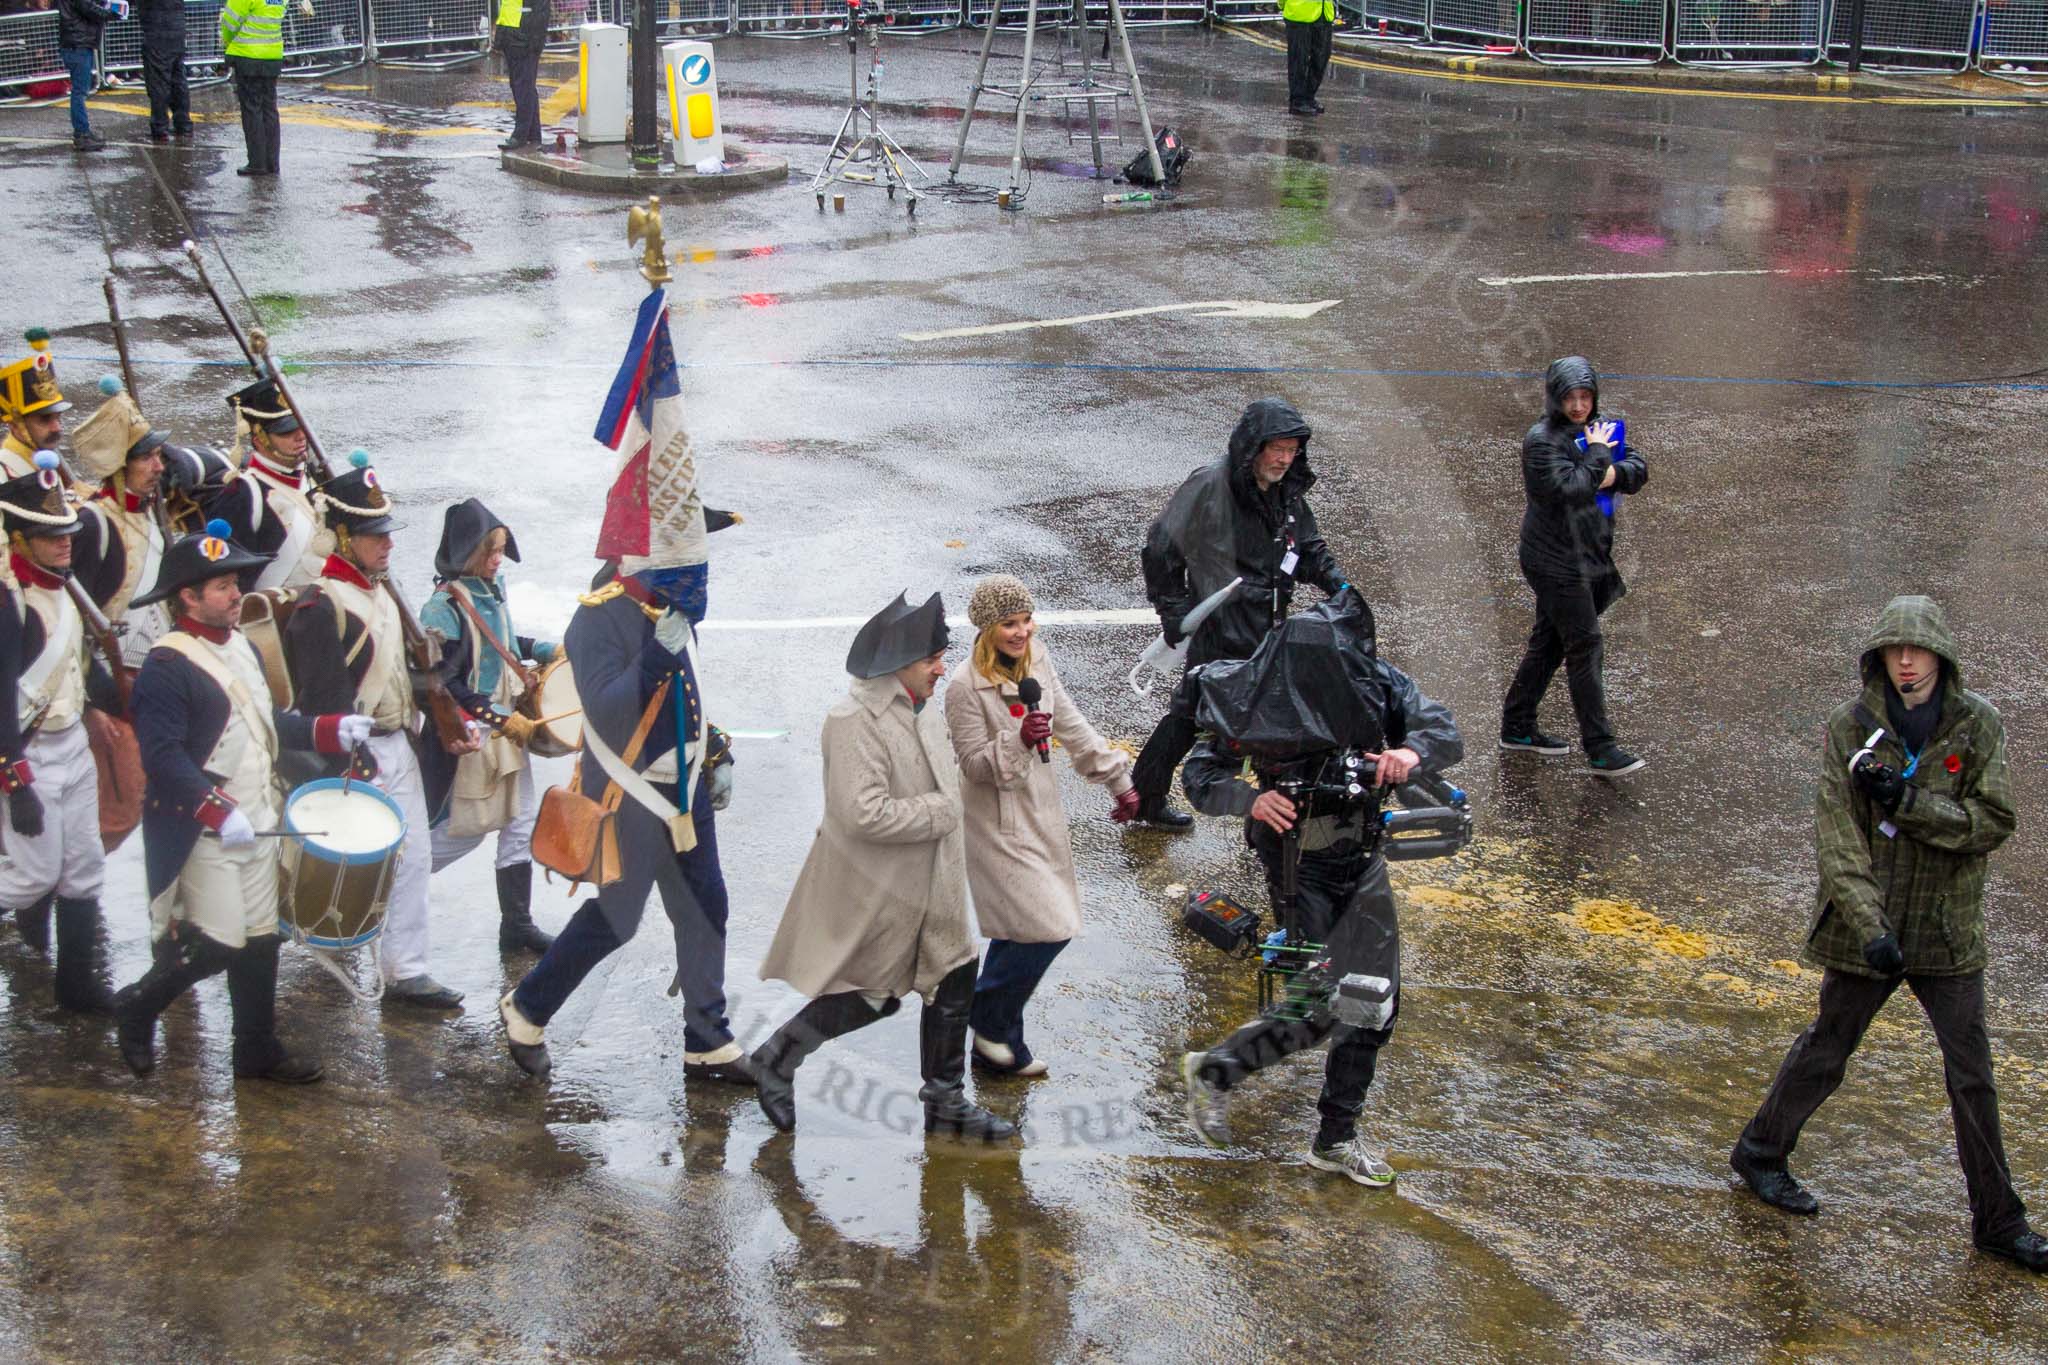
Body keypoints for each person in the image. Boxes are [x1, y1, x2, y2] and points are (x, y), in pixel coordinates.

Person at [1731, 595, 2046, 1275]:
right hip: (1867, 929)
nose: (1905, 662)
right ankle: (1761, 1150)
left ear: (1941, 655)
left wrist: (1909, 803)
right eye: (1892, 650)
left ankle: (2000, 1220)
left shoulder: (1977, 724)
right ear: (1877, 657)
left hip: (1946, 930)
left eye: (1917, 649)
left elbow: (1992, 822)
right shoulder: (1850, 728)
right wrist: (1870, 927)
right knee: (1827, 1047)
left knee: (1973, 1077)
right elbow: (1838, 839)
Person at [1180, 589, 1462, 1185]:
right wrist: (1253, 800)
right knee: (1325, 1003)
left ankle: (1336, 1136)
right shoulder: (1259, 695)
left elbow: (1439, 726)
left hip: (1363, 859)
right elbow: (1201, 775)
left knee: (1376, 999)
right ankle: (1218, 1071)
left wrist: (1410, 753)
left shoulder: (1375, 682)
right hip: (1297, 867)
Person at [497, 494, 750, 1087]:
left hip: (681, 791)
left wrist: (714, 749)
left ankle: (706, 1039)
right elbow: (609, 713)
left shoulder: (664, 604)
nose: (700, 564)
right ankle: (528, 1008)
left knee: (707, 907)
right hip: (635, 796)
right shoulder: (597, 618)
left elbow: (681, 701)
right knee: (617, 919)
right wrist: (660, 653)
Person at [111, 521, 374, 1081]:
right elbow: (162, 758)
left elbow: (265, 726)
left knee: (260, 939)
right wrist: (216, 809)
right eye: (224, 586)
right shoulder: (166, 665)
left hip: (256, 817)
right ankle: (136, 1005)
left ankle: (255, 1049)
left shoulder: (244, 650)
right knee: (223, 941)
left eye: (235, 583)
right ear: (188, 596)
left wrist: (330, 730)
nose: (237, 595)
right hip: (204, 828)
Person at [751, 592, 1016, 1143]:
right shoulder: (853, 720)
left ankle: (945, 1104)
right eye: (932, 661)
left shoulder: (921, 710)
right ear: (898, 665)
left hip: (934, 881)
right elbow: (861, 812)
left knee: (955, 973)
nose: (943, 670)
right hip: (879, 887)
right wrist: (941, 813)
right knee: (876, 994)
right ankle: (777, 1056)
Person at [282, 452, 479, 1008]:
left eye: (386, 532)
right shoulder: (320, 605)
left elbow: (404, 673)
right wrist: (353, 761)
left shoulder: (379, 591)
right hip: (358, 753)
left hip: (399, 743)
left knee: (414, 861)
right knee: (350, 868)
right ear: (342, 536)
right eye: (374, 535)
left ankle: (406, 971)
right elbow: (324, 697)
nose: (387, 543)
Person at [943, 574, 1138, 1078]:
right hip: (998, 824)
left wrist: (1117, 780)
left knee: (1018, 932)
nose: (1021, 631)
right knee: (1048, 928)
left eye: (1026, 619)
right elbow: (972, 765)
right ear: (987, 628)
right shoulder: (965, 687)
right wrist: (1019, 741)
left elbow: (1069, 722)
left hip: (1042, 815)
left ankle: (998, 1041)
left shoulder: (1037, 660)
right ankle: (987, 1019)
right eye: (1009, 623)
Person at [1131, 397, 1348, 830]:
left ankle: (1272, 810)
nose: (1286, 459)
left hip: (1267, 628)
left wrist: (1338, 585)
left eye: (1293, 450)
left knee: (1271, 715)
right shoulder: (1211, 485)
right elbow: (1160, 547)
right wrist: (1173, 611)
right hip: (1220, 629)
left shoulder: (1286, 490)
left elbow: (1306, 547)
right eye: (1278, 449)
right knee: (1193, 716)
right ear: (1255, 446)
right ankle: (1147, 796)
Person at [0, 453, 126, 1012]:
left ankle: (78, 989)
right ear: (20, 540)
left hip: (71, 743)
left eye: (67, 533)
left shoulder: (65, 588)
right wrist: (15, 778)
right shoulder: (10, 602)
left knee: (82, 869)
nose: (66, 542)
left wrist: (110, 706)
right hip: (27, 754)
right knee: (30, 879)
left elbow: (78, 667)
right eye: (51, 536)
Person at [419, 499, 557, 957]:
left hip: (503, 729)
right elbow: (446, 684)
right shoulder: (442, 607)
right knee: (464, 829)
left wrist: (540, 647)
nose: (499, 559)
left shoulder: (490, 590)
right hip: (471, 733)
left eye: (501, 549)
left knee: (520, 822)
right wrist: (499, 719)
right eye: (491, 551)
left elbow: (499, 642)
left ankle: (516, 925)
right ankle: (386, 889)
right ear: (469, 552)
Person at [1499, 355, 1649, 777]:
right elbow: (1570, 490)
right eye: (1571, 398)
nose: (1580, 406)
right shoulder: (1542, 441)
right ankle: (1600, 748)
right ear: (1555, 398)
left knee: (1549, 641)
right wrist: (1601, 458)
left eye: (1586, 397)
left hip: (1585, 557)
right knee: (1585, 643)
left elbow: (1637, 469)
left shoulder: (1598, 430)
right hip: (1553, 561)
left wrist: (1608, 468)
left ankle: (1517, 723)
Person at [70, 377, 178, 665]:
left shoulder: (152, 509)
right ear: (120, 467)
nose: (159, 467)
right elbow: (76, 618)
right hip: (110, 667)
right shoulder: (94, 523)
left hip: (159, 659)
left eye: (158, 456)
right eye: (146, 458)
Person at [227, 377, 329, 589]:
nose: (300, 436)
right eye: (286, 431)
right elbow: (233, 578)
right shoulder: (244, 494)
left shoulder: (307, 478)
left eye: (300, 427)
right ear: (259, 439)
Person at [220, 0, 286, 176]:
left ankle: (257, 162)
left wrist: (227, 41)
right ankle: (272, 162)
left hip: (248, 55)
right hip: (272, 54)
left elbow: (230, 21)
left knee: (252, 110)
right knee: (270, 109)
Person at [57, 0, 121, 153]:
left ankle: (83, 131)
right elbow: (88, 8)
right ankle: (81, 134)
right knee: (79, 92)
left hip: (76, 43)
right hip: (78, 44)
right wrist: (109, 13)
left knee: (80, 91)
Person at [133, 0, 193, 142]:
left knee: (159, 84)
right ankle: (183, 124)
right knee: (178, 81)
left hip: (157, 31)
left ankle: (160, 127)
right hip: (176, 29)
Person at [493, 0, 550, 150]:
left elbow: (541, 11)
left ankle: (520, 135)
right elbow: (507, 8)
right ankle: (533, 134)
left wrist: (536, 42)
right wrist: (500, 37)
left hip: (524, 38)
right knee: (523, 87)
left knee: (523, 88)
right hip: (512, 37)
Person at [1281, 0, 1335, 117]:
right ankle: (1297, 101)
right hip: (1299, 13)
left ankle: (1309, 96)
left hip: (1324, 13)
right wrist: (1282, 4)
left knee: (1322, 57)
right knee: (1299, 59)